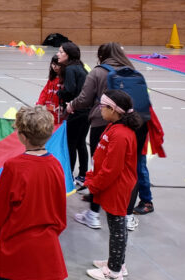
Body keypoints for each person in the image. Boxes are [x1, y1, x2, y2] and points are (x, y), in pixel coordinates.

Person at [0, 106, 68, 280]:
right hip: (48, 252)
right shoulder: (56, 166)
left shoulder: (14, 167)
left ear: (23, 137)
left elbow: (0, 208)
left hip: (15, 250)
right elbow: (60, 210)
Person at [67, 42, 134, 230]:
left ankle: (93, 213)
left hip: (101, 124)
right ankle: (124, 214)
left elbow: (85, 99)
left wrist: (71, 105)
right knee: (123, 168)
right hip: (128, 123)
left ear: (101, 55)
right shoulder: (130, 69)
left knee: (100, 166)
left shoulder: (97, 72)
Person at [82, 90, 141, 280]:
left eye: (103, 106)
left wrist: (94, 185)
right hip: (111, 185)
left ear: (113, 110)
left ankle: (114, 271)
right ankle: (116, 262)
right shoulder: (114, 126)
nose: (100, 109)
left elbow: (111, 169)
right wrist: (91, 176)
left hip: (117, 187)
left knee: (117, 229)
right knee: (116, 226)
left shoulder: (121, 135)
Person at [55, 42, 89, 186]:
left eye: (61, 52)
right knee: (81, 143)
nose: (58, 54)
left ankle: (69, 175)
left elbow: (70, 90)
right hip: (86, 111)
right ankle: (83, 174)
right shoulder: (81, 68)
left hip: (76, 111)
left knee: (71, 144)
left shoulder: (70, 69)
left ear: (67, 55)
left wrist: (59, 92)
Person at [36, 55, 62, 121]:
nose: (55, 67)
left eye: (58, 64)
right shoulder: (51, 79)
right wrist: (40, 103)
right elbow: (44, 92)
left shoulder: (64, 80)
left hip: (59, 111)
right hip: (49, 110)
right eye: (53, 64)